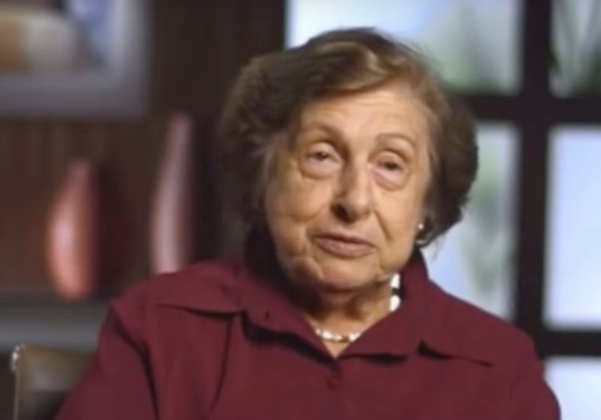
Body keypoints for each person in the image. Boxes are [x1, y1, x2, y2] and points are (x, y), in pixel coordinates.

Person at [57, 28, 560, 420]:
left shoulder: (498, 370)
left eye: (390, 166)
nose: (354, 201)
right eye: (322, 156)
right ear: (261, 177)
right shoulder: (159, 328)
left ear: (427, 207)